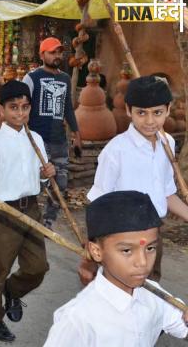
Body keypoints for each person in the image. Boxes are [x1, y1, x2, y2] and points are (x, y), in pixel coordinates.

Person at [79, 75, 188, 284]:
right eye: (141, 113)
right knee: (119, 294)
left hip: (153, 235)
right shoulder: (116, 151)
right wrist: (90, 253)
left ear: (168, 109)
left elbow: (166, 193)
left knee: (150, 287)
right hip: (121, 239)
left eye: (157, 113)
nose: (149, 121)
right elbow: (99, 202)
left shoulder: (168, 142)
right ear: (129, 110)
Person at [44, 191, 188, 346]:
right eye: (127, 251)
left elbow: (183, 328)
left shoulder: (155, 296)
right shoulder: (77, 320)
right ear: (97, 251)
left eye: (150, 248)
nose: (142, 262)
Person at [0, 80, 55, 341]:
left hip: (31, 210)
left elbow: (41, 179)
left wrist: (47, 174)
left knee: (38, 267)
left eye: (24, 107)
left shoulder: (36, 140)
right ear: (1, 111)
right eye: (13, 108)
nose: (20, 113)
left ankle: (12, 291)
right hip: (3, 213)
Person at [22, 37, 82, 229]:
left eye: (59, 52)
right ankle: (26, 218)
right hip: (37, 140)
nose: (57, 56)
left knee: (60, 184)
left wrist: (76, 134)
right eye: (52, 52)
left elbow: (68, 109)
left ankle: (48, 222)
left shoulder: (64, 78)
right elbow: (22, 107)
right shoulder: (31, 78)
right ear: (42, 55)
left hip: (59, 141)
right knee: (35, 182)